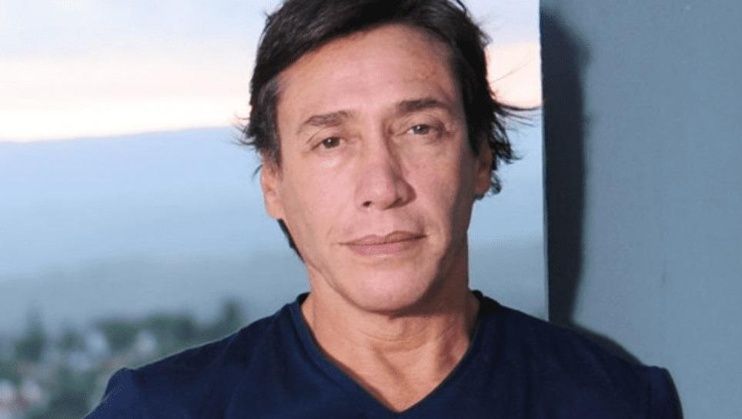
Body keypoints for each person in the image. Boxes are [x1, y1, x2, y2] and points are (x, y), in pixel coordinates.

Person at [86, 0, 681, 417]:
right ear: (274, 182)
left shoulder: (616, 401)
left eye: (420, 129)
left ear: (480, 157)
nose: (382, 186)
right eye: (331, 141)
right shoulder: (164, 409)